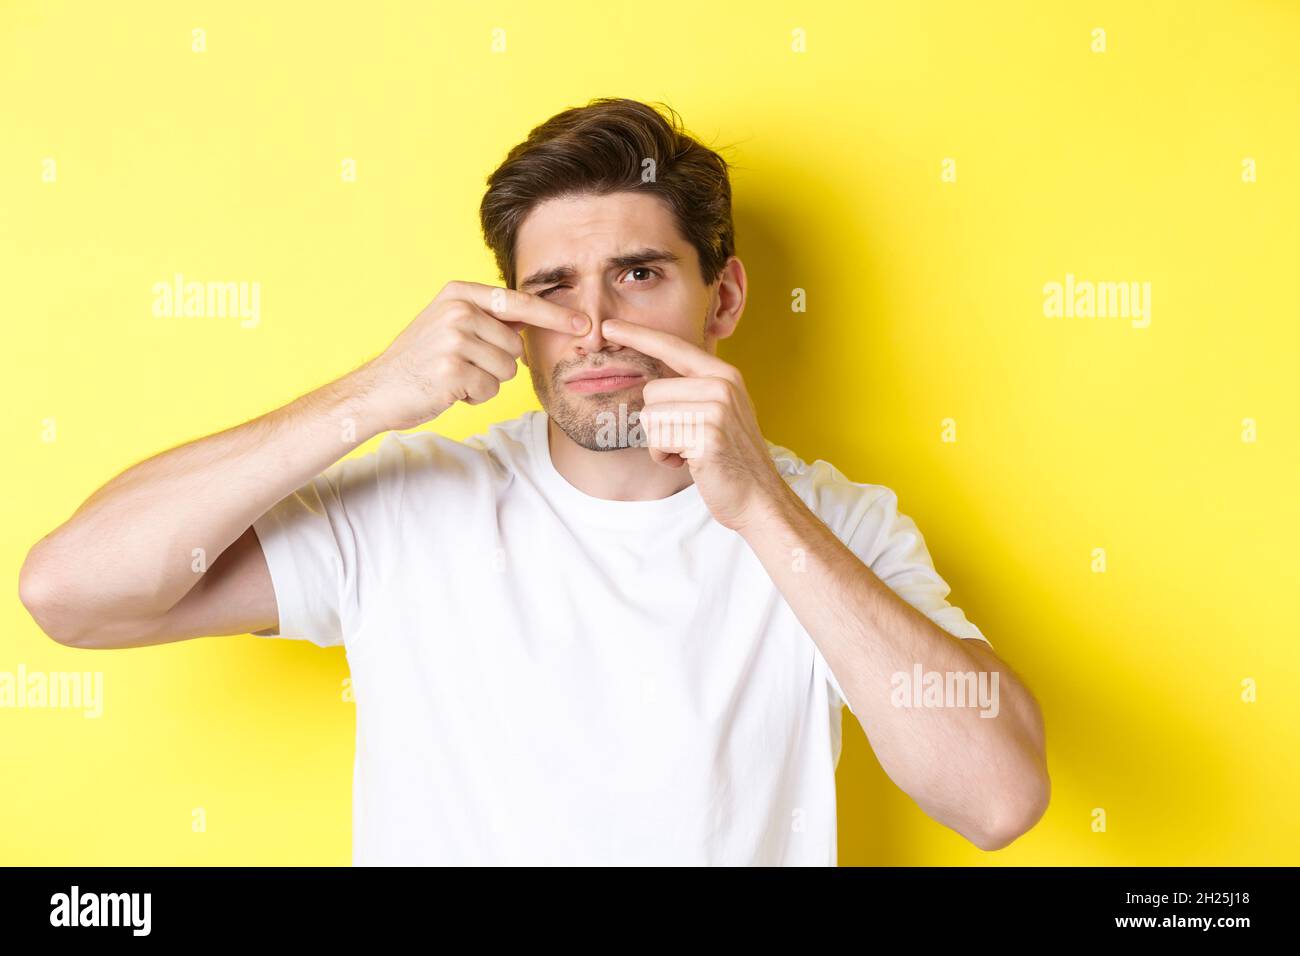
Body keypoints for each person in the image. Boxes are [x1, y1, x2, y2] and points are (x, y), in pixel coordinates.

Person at [18, 97, 1048, 865]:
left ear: (721, 296)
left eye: (638, 274)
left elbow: (997, 798)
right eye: (551, 288)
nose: (594, 326)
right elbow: (70, 592)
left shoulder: (831, 523)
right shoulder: (410, 506)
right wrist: (369, 395)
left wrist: (761, 510)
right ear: (510, 315)